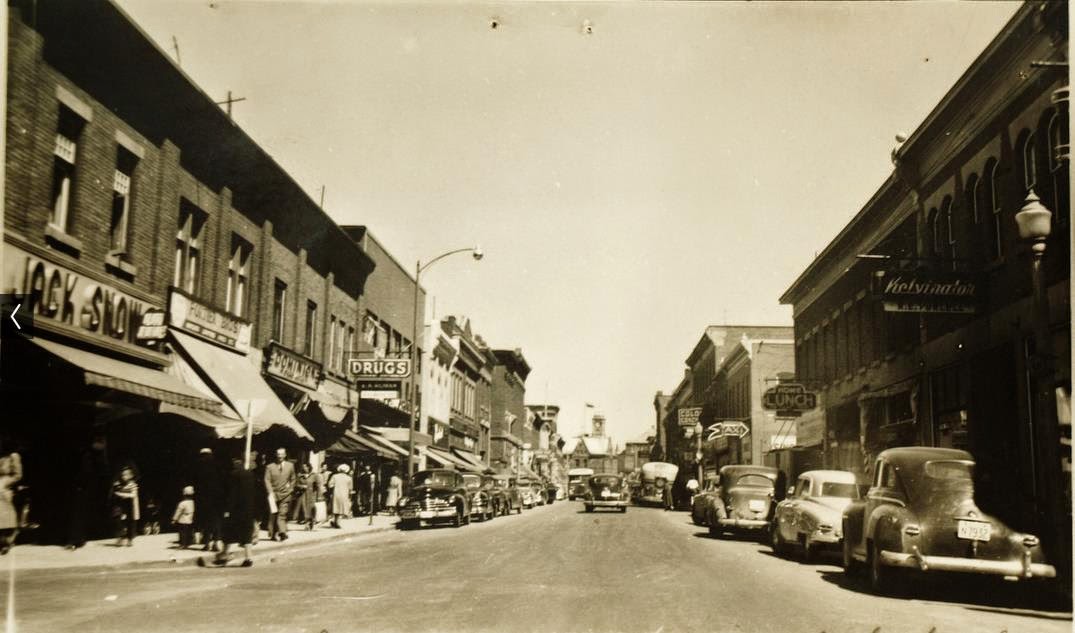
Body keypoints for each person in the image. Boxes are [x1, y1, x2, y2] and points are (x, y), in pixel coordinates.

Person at [202, 457, 254, 568]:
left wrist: (227, 509)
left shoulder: (234, 475)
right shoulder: (250, 475)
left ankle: (224, 554)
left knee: (229, 533)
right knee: (246, 534)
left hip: (236, 510)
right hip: (248, 510)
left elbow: (232, 494)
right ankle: (248, 558)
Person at [193, 447, 223, 552]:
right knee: (216, 519)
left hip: (203, 497)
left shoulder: (198, 464)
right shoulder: (217, 464)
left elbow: (195, 481)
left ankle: (207, 543)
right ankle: (217, 542)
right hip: (217, 497)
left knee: (205, 520)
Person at [264, 448, 296, 542]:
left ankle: (282, 532)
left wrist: (290, 489)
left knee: (282, 514)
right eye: (278, 454)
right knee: (273, 514)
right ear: (276, 455)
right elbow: (267, 480)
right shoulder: (270, 467)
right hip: (273, 495)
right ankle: (273, 534)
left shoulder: (290, 466)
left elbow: (293, 478)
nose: (280, 456)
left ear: (285, 455)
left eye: (282, 454)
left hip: (285, 495)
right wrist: (270, 492)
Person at [0, 448, 23, 555]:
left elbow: (18, 475)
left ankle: (5, 541)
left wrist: (5, 482)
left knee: (4, 512)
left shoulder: (13, 456)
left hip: (6, 487)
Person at [111, 465, 140, 547]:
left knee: (131, 523)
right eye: (123, 474)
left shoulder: (133, 484)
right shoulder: (119, 484)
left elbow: (133, 495)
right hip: (122, 506)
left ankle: (130, 539)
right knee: (119, 521)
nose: (124, 476)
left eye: (126, 474)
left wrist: (121, 494)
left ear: (131, 475)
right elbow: (115, 491)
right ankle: (121, 538)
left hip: (131, 507)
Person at [290, 462, 316, 530]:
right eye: (303, 467)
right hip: (302, 495)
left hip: (311, 495)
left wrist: (317, 495)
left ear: (309, 467)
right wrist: (301, 486)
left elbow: (317, 486)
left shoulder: (314, 475)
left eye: (305, 467)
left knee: (310, 509)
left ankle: (310, 522)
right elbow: (296, 484)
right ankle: (306, 524)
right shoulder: (300, 476)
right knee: (304, 509)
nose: (304, 468)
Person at [328, 464, 353, 528]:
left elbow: (330, 485)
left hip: (336, 494)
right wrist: (350, 496)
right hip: (344, 495)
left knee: (336, 508)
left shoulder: (335, 476)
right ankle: (337, 522)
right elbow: (350, 488)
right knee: (341, 508)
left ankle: (335, 522)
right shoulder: (349, 478)